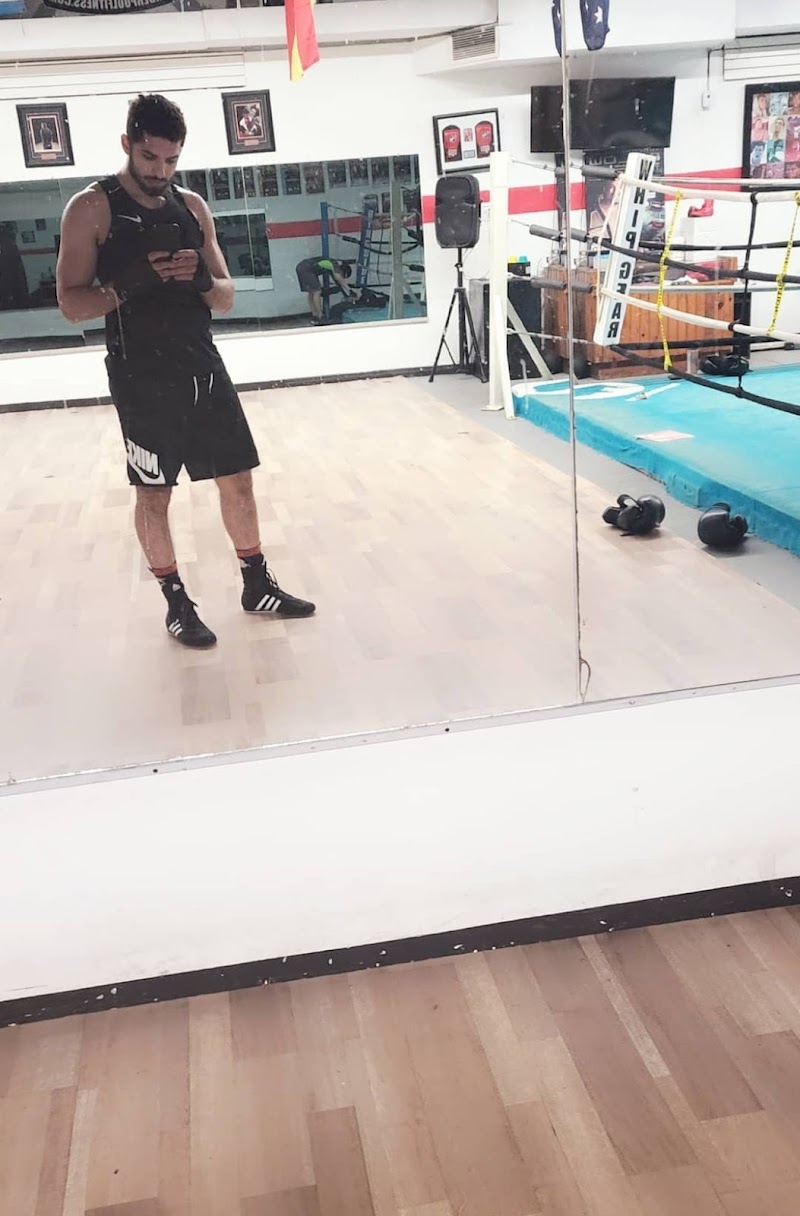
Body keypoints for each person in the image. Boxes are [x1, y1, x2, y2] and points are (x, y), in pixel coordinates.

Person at [56, 92, 315, 650]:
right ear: (127, 145)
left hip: (202, 365)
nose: (160, 170)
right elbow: (71, 304)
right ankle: (176, 603)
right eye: (149, 158)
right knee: (154, 493)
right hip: (140, 377)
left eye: (171, 160)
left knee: (238, 478)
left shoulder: (192, 207)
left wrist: (200, 277)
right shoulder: (91, 208)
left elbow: (226, 297)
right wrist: (130, 284)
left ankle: (256, 585)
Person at [295, 254, 353, 324]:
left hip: (302, 266)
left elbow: (338, 281)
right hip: (307, 268)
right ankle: (320, 316)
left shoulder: (331, 264)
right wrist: (350, 290)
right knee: (317, 291)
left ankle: (315, 316)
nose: (342, 277)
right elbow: (338, 278)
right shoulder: (334, 263)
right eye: (343, 275)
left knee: (312, 292)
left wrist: (346, 292)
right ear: (342, 271)